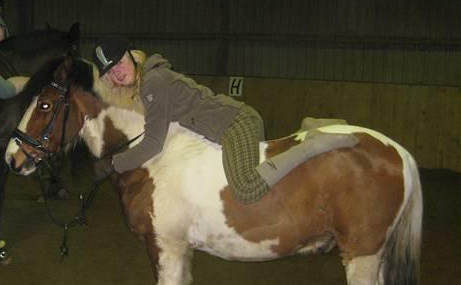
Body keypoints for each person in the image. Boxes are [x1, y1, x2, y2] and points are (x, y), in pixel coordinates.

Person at [91, 36, 357, 203]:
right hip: (225, 125)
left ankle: (311, 141)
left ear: (131, 56)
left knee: (247, 189)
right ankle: (304, 129)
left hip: (234, 124)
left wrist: (114, 164)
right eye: (111, 73)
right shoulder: (149, 81)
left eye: (118, 65)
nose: (116, 75)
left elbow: (153, 143)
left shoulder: (152, 84)